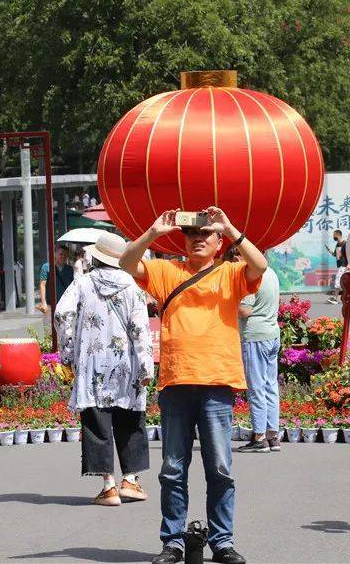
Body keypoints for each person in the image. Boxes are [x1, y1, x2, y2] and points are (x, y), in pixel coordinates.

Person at [120, 206, 265, 564]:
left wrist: (230, 227)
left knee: (220, 469)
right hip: (177, 381)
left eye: (206, 235)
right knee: (172, 469)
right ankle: (173, 542)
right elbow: (126, 263)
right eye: (191, 235)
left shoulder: (231, 273)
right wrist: (153, 232)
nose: (198, 239)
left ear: (218, 243)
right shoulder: (167, 271)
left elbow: (259, 266)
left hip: (217, 383)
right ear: (183, 240)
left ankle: (223, 541)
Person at [56, 232, 153, 506]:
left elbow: (62, 315)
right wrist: (146, 366)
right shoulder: (133, 288)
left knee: (98, 421)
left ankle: (108, 486)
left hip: (92, 362)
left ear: (96, 257)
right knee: (131, 419)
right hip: (127, 363)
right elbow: (140, 330)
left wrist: (69, 352)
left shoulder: (83, 284)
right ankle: (131, 481)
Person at [235, 253, 281, 453]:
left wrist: (225, 303)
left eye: (236, 257)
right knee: (270, 385)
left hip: (255, 335)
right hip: (272, 333)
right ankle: (273, 436)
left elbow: (244, 310)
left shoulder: (251, 276)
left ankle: (259, 436)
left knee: (256, 387)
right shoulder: (271, 272)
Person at [39, 243, 74, 314]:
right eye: (61, 254)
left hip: (65, 305)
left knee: (64, 325)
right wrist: (43, 302)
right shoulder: (46, 267)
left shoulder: (69, 269)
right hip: (50, 304)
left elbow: (71, 286)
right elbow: (42, 285)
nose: (63, 256)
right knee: (48, 325)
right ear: (55, 254)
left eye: (66, 255)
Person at [325, 229, 348, 304]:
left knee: (338, 281)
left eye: (334, 235)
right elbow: (335, 255)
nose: (333, 237)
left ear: (338, 235)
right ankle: (348, 298)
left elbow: (349, 254)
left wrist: (349, 265)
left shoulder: (345, 243)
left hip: (344, 265)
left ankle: (335, 299)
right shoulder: (337, 245)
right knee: (345, 283)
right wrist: (328, 250)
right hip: (341, 265)